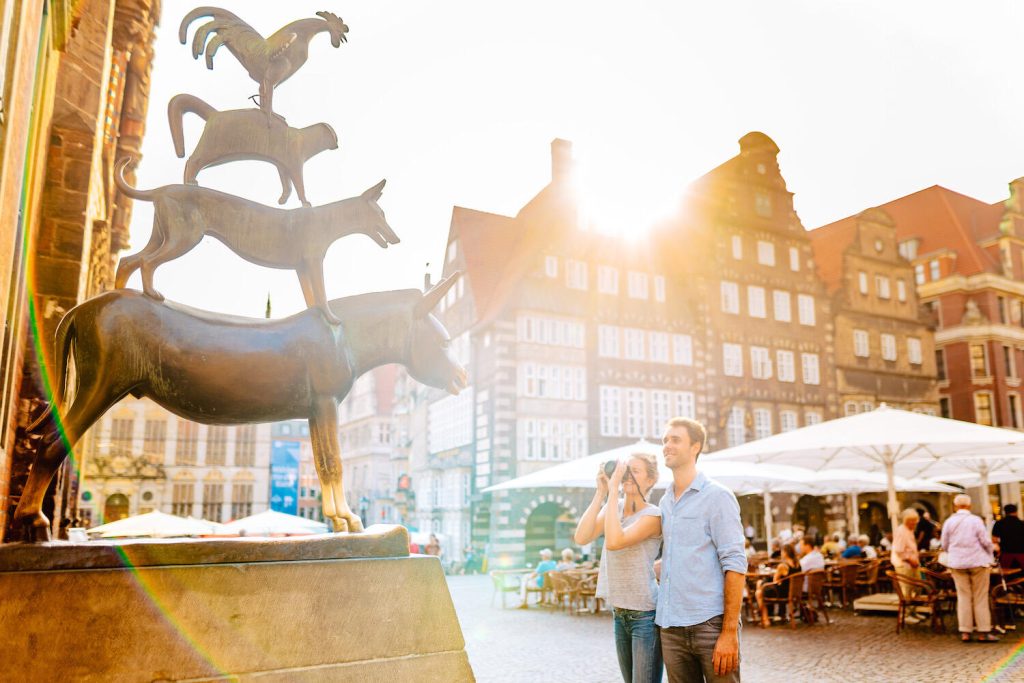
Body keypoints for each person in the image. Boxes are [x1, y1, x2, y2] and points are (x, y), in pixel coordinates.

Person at [657, 417, 745, 682]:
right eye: (665, 440)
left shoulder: (717, 496)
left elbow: (736, 564)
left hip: (710, 624)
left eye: (675, 439)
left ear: (695, 446)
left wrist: (729, 632)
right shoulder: (665, 501)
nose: (666, 446)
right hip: (670, 626)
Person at [575, 452, 663, 683]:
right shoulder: (616, 506)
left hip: (645, 614)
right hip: (619, 612)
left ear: (651, 480)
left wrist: (613, 491)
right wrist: (601, 492)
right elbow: (582, 537)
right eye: (626, 470)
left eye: (636, 471)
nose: (628, 476)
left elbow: (614, 541)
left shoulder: (653, 516)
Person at [941, 494, 999, 643]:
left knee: (963, 596)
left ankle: (965, 631)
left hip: (957, 563)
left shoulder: (949, 522)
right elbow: (985, 541)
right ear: (969, 505)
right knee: (980, 597)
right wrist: (992, 549)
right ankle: (983, 631)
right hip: (977, 562)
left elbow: (944, 544)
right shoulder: (975, 520)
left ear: (955, 506)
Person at [756, 543, 799, 628]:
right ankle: (773, 614)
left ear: (785, 553)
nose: (781, 553)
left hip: (782, 593)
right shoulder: (797, 564)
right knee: (761, 584)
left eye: (782, 551)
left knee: (758, 592)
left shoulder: (783, 565)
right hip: (792, 591)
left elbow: (775, 581)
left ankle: (765, 619)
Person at [992, 504, 1024, 571]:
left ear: (1005, 512)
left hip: (1006, 555)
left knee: (1007, 576)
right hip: (1021, 555)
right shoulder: (1022, 523)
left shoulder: (999, 523)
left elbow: (994, 540)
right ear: (1016, 512)